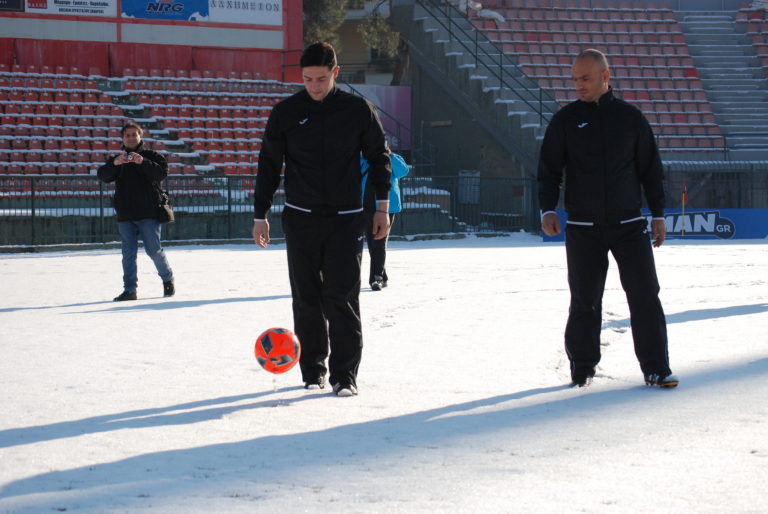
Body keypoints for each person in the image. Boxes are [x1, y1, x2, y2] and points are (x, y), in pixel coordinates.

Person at [252, 42, 392, 397]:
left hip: (346, 219)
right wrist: (260, 214)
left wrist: (382, 206)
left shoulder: (358, 110)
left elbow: (380, 157)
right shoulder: (285, 112)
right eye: (307, 79)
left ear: (335, 73)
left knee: (341, 297)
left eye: (320, 78)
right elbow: (269, 165)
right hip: (300, 218)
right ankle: (312, 369)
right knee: (306, 298)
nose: (314, 86)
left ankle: (344, 375)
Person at [537, 49, 677, 389]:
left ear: (605, 76)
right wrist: (547, 208)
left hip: (629, 225)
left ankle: (656, 368)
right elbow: (548, 170)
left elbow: (650, 170)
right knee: (584, 300)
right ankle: (582, 368)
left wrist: (658, 214)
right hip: (584, 229)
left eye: (585, 78)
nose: (578, 85)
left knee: (645, 295)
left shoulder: (630, 118)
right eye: (575, 79)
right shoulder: (566, 120)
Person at [97, 121, 175, 302]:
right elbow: (103, 176)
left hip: (149, 213)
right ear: (123, 139)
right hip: (125, 215)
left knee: (154, 250)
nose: (131, 138)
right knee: (128, 254)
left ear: (140, 136)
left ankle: (167, 278)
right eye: (127, 135)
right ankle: (130, 290)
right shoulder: (118, 159)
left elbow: (161, 173)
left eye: (134, 134)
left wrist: (143, 162)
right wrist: (114, 164)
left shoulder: (151, 156)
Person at [361, 151, 409, 291]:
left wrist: (390, 155)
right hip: (366, 205)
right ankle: (383, 274)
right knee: (372, 242)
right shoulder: (362, 158)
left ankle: (377, 277)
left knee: (379, 241)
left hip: (387, 207)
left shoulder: (392, 158)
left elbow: (403, 171)